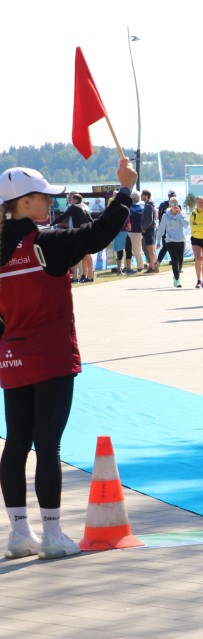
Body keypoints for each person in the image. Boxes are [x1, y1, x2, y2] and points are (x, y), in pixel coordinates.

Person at [0, 159, 138, 559]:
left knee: (16, 443)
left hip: (11, 358)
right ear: (25, 202)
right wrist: (124, 191)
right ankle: (53, 535)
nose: (51, 203)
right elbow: (98, 235)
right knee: (48, 445)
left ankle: (19, 533)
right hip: (51, 356)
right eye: (45, 197)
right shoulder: (44, 243)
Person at [52, 193, 94, 282]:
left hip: (79, 233)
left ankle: (85, 277)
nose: (70, 201)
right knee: (86, 255)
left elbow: (63, 216)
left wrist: (52, 223)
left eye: (71, 199)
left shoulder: (74, 207)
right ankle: (88, 276)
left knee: (82, 255)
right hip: (87, 232)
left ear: (75, 200)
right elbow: (90, 219)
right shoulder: (84, 207)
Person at [154, 197, 190, 287]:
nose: (175, 206)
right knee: (174, 260)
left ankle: (176, 276)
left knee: (180, 261)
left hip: (180, 240)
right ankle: (177, 280)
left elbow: (186, 225)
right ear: (170, 205)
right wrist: (158, 241)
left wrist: (180, 214)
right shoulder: (165, 215)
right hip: (170, 240)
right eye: (173, 204)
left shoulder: (181, 214)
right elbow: (161, 229)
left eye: (176, 204)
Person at [124, 190, 146, 274]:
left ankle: (140, 266)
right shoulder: (143, 205)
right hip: (140, 230)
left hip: (134, 231)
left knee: (136, 250)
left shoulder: (132, 207)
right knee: (137, 250)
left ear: (134, 198)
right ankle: (130, 266)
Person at [155, 189, 176, 266]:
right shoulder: (163, 205)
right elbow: (160, 218)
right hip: (165, 229)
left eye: (174, 196)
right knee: (165, 246)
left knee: (175, 246)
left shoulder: (178, 205)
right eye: (171, 196)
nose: (172, 197)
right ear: (168, 196)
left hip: (175, 230)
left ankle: (175, 262)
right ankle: (158, 262)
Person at [140, 189, 158, 273]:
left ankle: (153, 267)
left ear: (146, 196)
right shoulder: (150, 204)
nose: (141, 196)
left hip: (149, 230)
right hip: (151, 229)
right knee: (152, 249)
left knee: (150, 249)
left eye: (142, 195)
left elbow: (150, 219)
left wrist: (144, 228)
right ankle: (154, 266)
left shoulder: (148, 205)